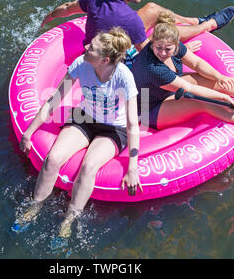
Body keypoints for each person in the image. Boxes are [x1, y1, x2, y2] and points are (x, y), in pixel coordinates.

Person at [15, 28, 142, 238]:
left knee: (89, 165)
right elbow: (53, 100)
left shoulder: (123, 76)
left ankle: (68, 221)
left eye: (91, 48)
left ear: (105, 59)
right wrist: (28, 133)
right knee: (53, 158)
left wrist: (133, 168)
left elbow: (132, 124)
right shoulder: (80, 65)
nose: (85, 47)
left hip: (114, 129)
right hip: (85, 118)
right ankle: (34, 207)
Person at [131, 12, 234, 135]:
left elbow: (196, 62)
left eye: (167, 49)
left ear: (175, 44)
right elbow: (188, 88)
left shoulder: (172, 46)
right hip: (148, 108)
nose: (162, 52)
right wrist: (222, 97)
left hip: (164, 91)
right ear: (152, 43)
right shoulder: (152, 67)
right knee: (205, 102)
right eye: (158, 47)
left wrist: (219, 77)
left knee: (220, 83)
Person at [40, 0, 234, 66]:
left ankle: (193, 20)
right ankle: (208, 25)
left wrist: (46, 18)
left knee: (151, 7)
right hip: (112, 61)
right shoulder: (129, 19)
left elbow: (67, 8)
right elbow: (152, 55)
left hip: (101, 44)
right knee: (162, 33)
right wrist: (182, 52)